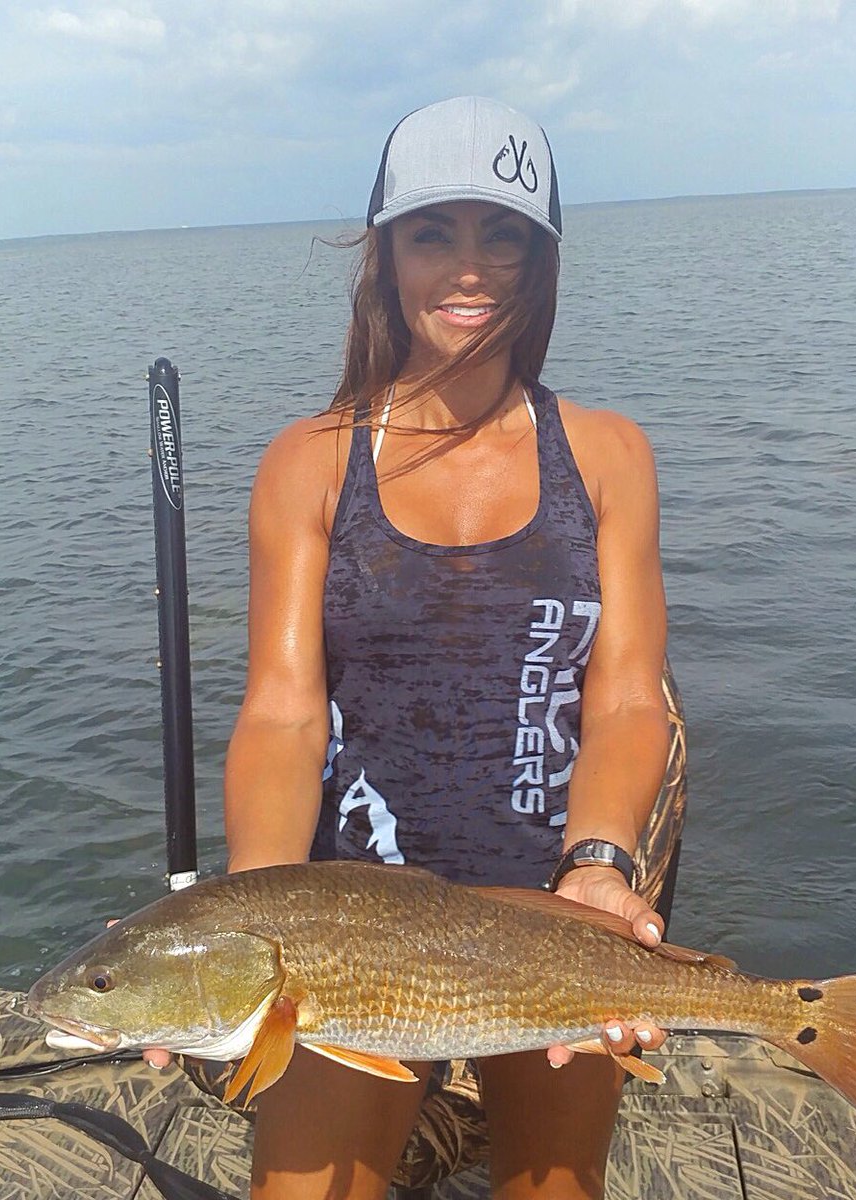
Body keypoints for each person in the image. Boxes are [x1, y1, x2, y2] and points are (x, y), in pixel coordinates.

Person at [151, 95, 672, 1200]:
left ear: (540, 259)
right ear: (382, 251)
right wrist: (249, 923)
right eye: (433, 232)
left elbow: (625, 700)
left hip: (549, 904)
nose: (468, 267)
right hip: (350, 917)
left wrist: (598, 864)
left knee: (553, 1183)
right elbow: (285, 712)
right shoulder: (309, 461)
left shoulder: (608, 455)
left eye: (504, 234)